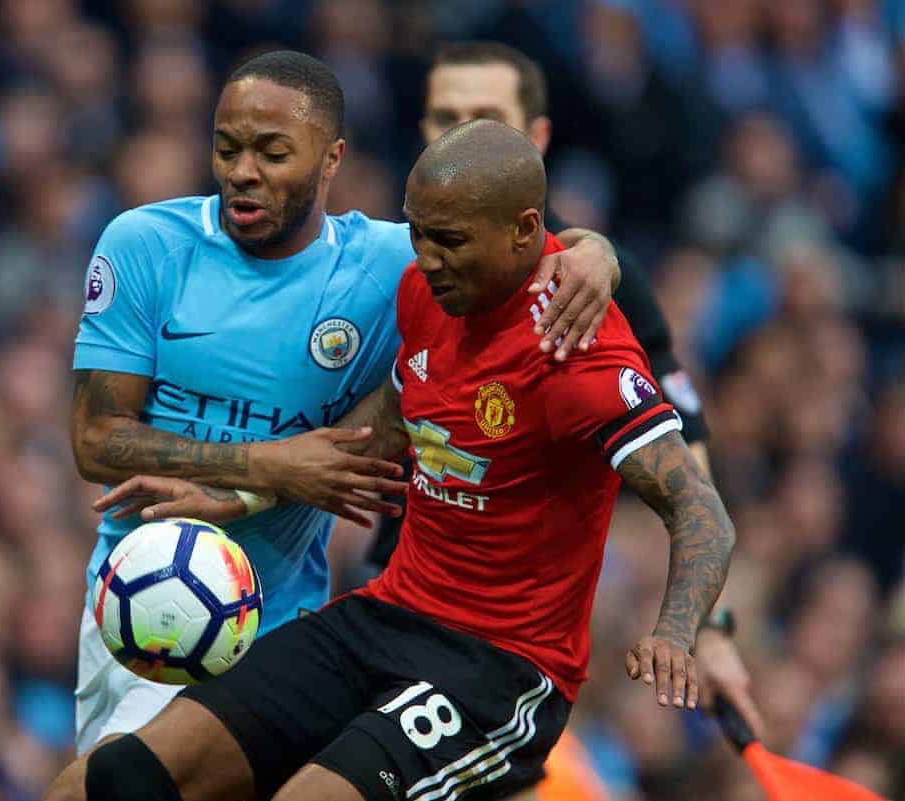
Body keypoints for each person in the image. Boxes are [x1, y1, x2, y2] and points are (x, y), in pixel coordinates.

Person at [47, 120, 737, 801]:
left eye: (450, 241)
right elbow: (381, 432)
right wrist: (242, 497)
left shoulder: (575, 350)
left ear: (524, 232)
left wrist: (677, 630)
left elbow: (699, 508)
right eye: (418, 233)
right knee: (114, 777)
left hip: (496, 672)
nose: (428, 258)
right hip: (386, 616)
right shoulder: (425, 295)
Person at [68, 49, 622, 753]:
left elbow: (525, 250)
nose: (244, 171)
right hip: (144, 605)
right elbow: (95, 439)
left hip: (286, 626)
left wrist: (596, 252)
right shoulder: (145, 244)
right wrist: (271, 464)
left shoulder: (386, 266)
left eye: (272, 152)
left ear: (331, 159)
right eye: (227, 147)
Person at [414, 42, 764, 749]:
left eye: (484, 116)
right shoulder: (381, 255)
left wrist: (714, 629)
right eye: (443, 116)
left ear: (535, 141)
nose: (459, 134)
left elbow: (683, 453)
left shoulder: (589, 282)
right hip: (387, 587)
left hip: (501, 645)